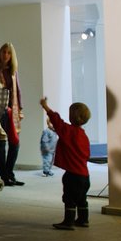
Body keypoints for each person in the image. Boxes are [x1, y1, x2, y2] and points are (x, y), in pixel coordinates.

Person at [40, 97, 91, 230]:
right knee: (81, 198)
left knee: (69, 198)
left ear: (72, 116)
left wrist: (45, 106)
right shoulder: (83, 135)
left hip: (72, 176)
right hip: (85, 176)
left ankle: (68, 222)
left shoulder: (68, 131)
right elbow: (87, 154)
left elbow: (56, 120)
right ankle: (83, 220)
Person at [0, 42, 25, 186]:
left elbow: (18, 91)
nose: (5, 55)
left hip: (11, 112)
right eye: (3, 52)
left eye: (8, 53)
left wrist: (20, 109)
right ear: (0, 53)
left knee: (15, 144)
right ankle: (4, 176)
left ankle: (9, 174)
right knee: (1, 143)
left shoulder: (13, 71)